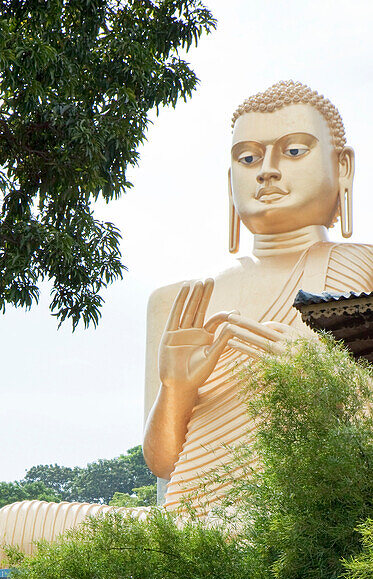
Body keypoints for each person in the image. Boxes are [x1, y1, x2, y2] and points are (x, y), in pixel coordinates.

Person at [143, 81, 373, 514]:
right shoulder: (178, 300)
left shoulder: (363, 269)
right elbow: (164, 464)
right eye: (247, 158)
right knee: (13, 523)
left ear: (342, 167)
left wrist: (328, 378)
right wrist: (176, 390)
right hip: (190, 529)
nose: (266, 170)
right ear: (232, 178)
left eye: (293, 151)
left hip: (307, 516)